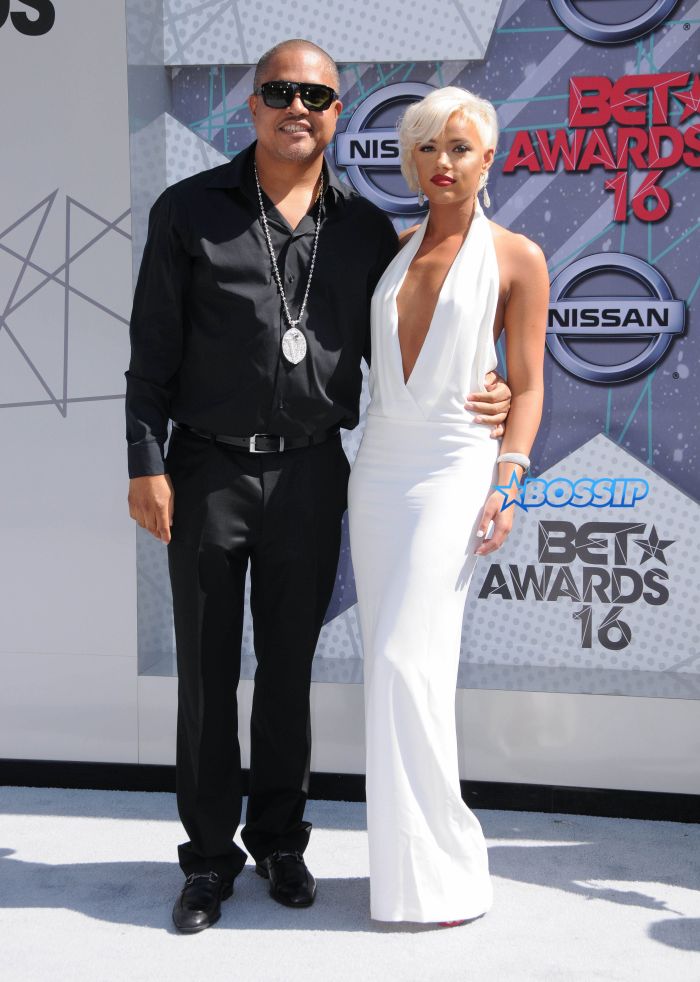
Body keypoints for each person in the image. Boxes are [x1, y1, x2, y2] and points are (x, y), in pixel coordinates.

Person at [126, 41, 511, 934]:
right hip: (206, 471)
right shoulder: (189, 212)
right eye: (279, 92)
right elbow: (151, 354)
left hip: (313, 473)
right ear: (252, 105)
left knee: (289, 672)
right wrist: (145, 461)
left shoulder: (366, 230)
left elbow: (413, 343)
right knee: (207, 676)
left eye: (317, 95)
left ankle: (280, 840)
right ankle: (209, 861)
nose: (298, 106)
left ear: (339, 112)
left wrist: (483, 387)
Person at [348, 86, 549, 924]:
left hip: (457, 466)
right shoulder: (390, 252)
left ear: (489, 157)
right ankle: (411, 876)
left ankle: (449, 862)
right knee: (397, 669)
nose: (442, 162)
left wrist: (509, 478)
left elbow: (530, 383)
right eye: (427, 148)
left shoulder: (518, 257)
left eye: (459, 148)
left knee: (405, 660)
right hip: (380, 467)